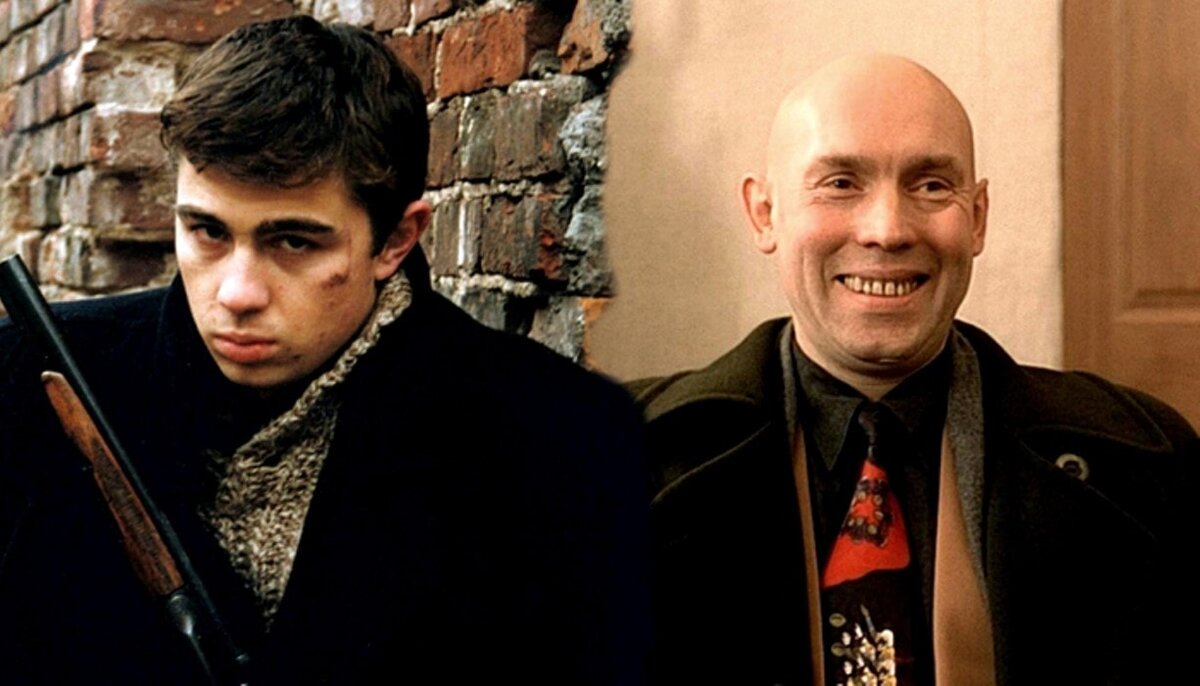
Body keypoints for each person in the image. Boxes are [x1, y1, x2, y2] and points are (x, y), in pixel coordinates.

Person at [0, 16, 648, 685]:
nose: (237, 293)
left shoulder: (555, 434)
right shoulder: (26, 379)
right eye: (207, 232)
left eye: (293, 242)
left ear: (395, 240)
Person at [630, 54, 1197, 685]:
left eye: (930, 186)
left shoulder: (1146, 470)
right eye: (840, 183)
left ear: (977, 217)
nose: (888, 230)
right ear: (764, 213)